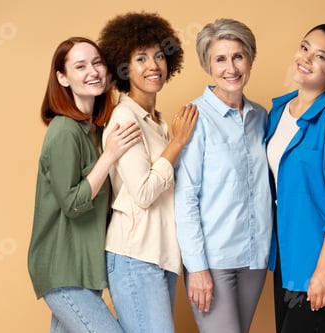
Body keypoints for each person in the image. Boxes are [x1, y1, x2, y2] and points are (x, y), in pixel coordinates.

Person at [27, 37, 142, 333]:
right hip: (63, 272)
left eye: (97, 63)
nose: (93, 72)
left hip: (85, 269)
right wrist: (111, 156)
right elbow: (74, 204)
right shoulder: (64, 130)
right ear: (62, 78)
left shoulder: (95, 129)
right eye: (80, 66)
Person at [97, 12, 198, 333]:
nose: (153, 64)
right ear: (123, 67)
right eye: (141, 57)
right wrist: (179, 143)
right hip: (135, 255)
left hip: (161, 256)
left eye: (158, 55)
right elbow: (142, 193)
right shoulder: (125, 118)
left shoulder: (158, 122)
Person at [174, 18, 272, 333]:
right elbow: (185, 197)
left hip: (255, 259)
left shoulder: (261, 117)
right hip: (213, 262)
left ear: (251, 59)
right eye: (220, 59)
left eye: (238, 56)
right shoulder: (195, 117)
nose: (231, 67)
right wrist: (197, 268)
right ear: (208, 65)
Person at [265, 24, 325, 333]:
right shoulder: (278, 111)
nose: (305, 58)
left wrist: (324, 271)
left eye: (321, 56)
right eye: (305, 47)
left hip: (320, 262)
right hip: (287, 256)